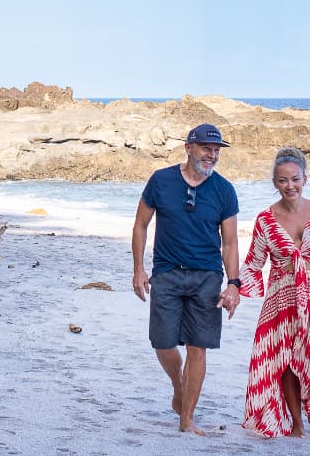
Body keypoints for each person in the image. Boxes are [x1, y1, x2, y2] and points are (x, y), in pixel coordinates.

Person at [131, 122, 241, 435]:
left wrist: (234, 284)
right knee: (163, 345)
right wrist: (139, 269)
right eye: (207, 148)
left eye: (217, 150)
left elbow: (230, 242)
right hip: (166, 273)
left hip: (207, 277)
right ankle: (179, 388)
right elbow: (140, 224)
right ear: (188, 148)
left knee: (198, 347)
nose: (212, 155)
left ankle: (186, 419)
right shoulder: (161, 180)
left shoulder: (224, 190)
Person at [240, 146, 310, 438]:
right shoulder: (265, 219)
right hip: (280, 299)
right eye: (282, 180)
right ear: (275, 183)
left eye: (295, 179)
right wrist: (233, 291)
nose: (290, 185)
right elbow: (253, 262)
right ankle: (297, 423)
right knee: (286, 361)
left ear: (305, 179)